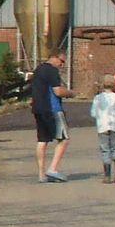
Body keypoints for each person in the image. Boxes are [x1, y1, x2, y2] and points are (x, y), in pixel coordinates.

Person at [30, 49, 69, 182]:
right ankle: (53, 169)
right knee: (63, 139)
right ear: (54, 57)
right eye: (61, 61)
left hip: (38, 108)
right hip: (53, 109)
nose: (62, 65)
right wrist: (70, 93)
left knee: (42, 140)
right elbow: (57, 91)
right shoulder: (52, 71)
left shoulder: (38, 70)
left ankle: (41, 174)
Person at [91, 72, 115, 183]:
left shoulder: (98, 98)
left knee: (105, 150)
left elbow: (93, 113)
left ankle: (107, 175)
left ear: (102, 85)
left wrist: (99, 117)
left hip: (102, 126)